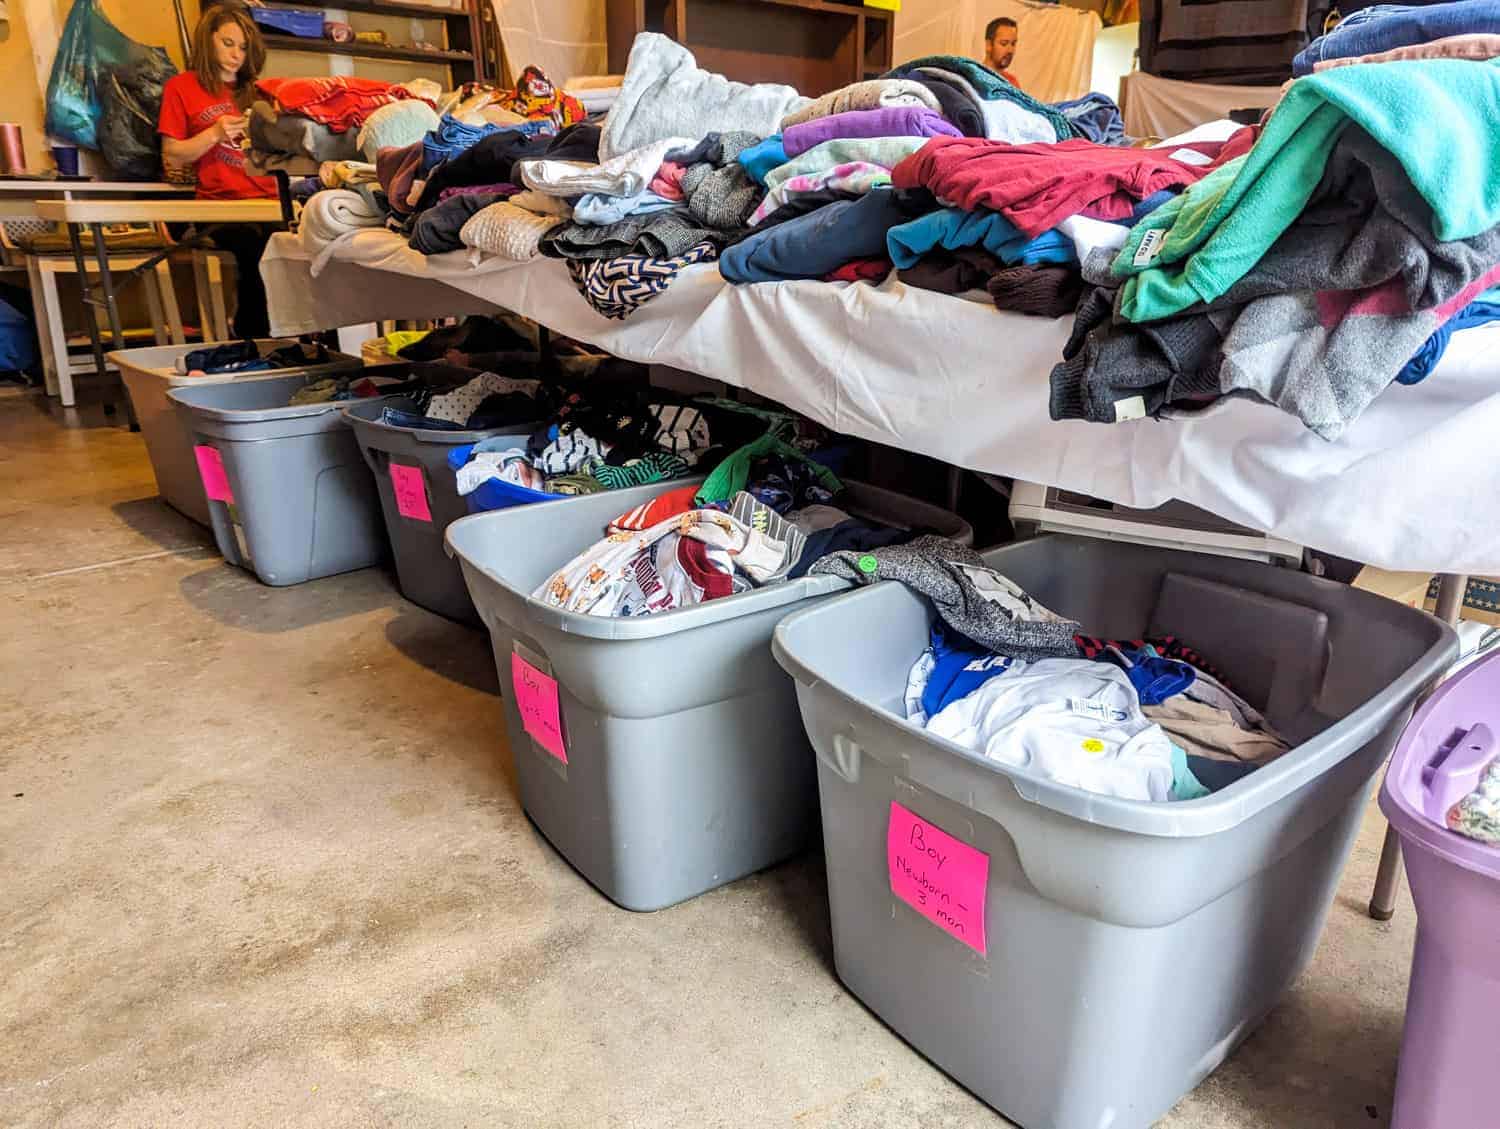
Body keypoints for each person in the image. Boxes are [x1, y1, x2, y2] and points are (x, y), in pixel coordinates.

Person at [158, 4, 277, 339]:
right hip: (221, 205)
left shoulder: (259, 91)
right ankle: (256, 340)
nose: (236, 54)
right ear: (208, 41)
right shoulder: (182, 88)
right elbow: (173, 154)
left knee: (306, 244)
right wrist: (214, 133)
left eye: (243, 47)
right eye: (228, 43)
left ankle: (315, 341)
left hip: (269, 201)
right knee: (260, 247)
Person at [983, 17, 1020, 87]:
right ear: (989, 45)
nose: (1010, 50)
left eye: (1013, 44)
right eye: (1004, 43)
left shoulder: (1012, 82)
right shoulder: (973, 79)